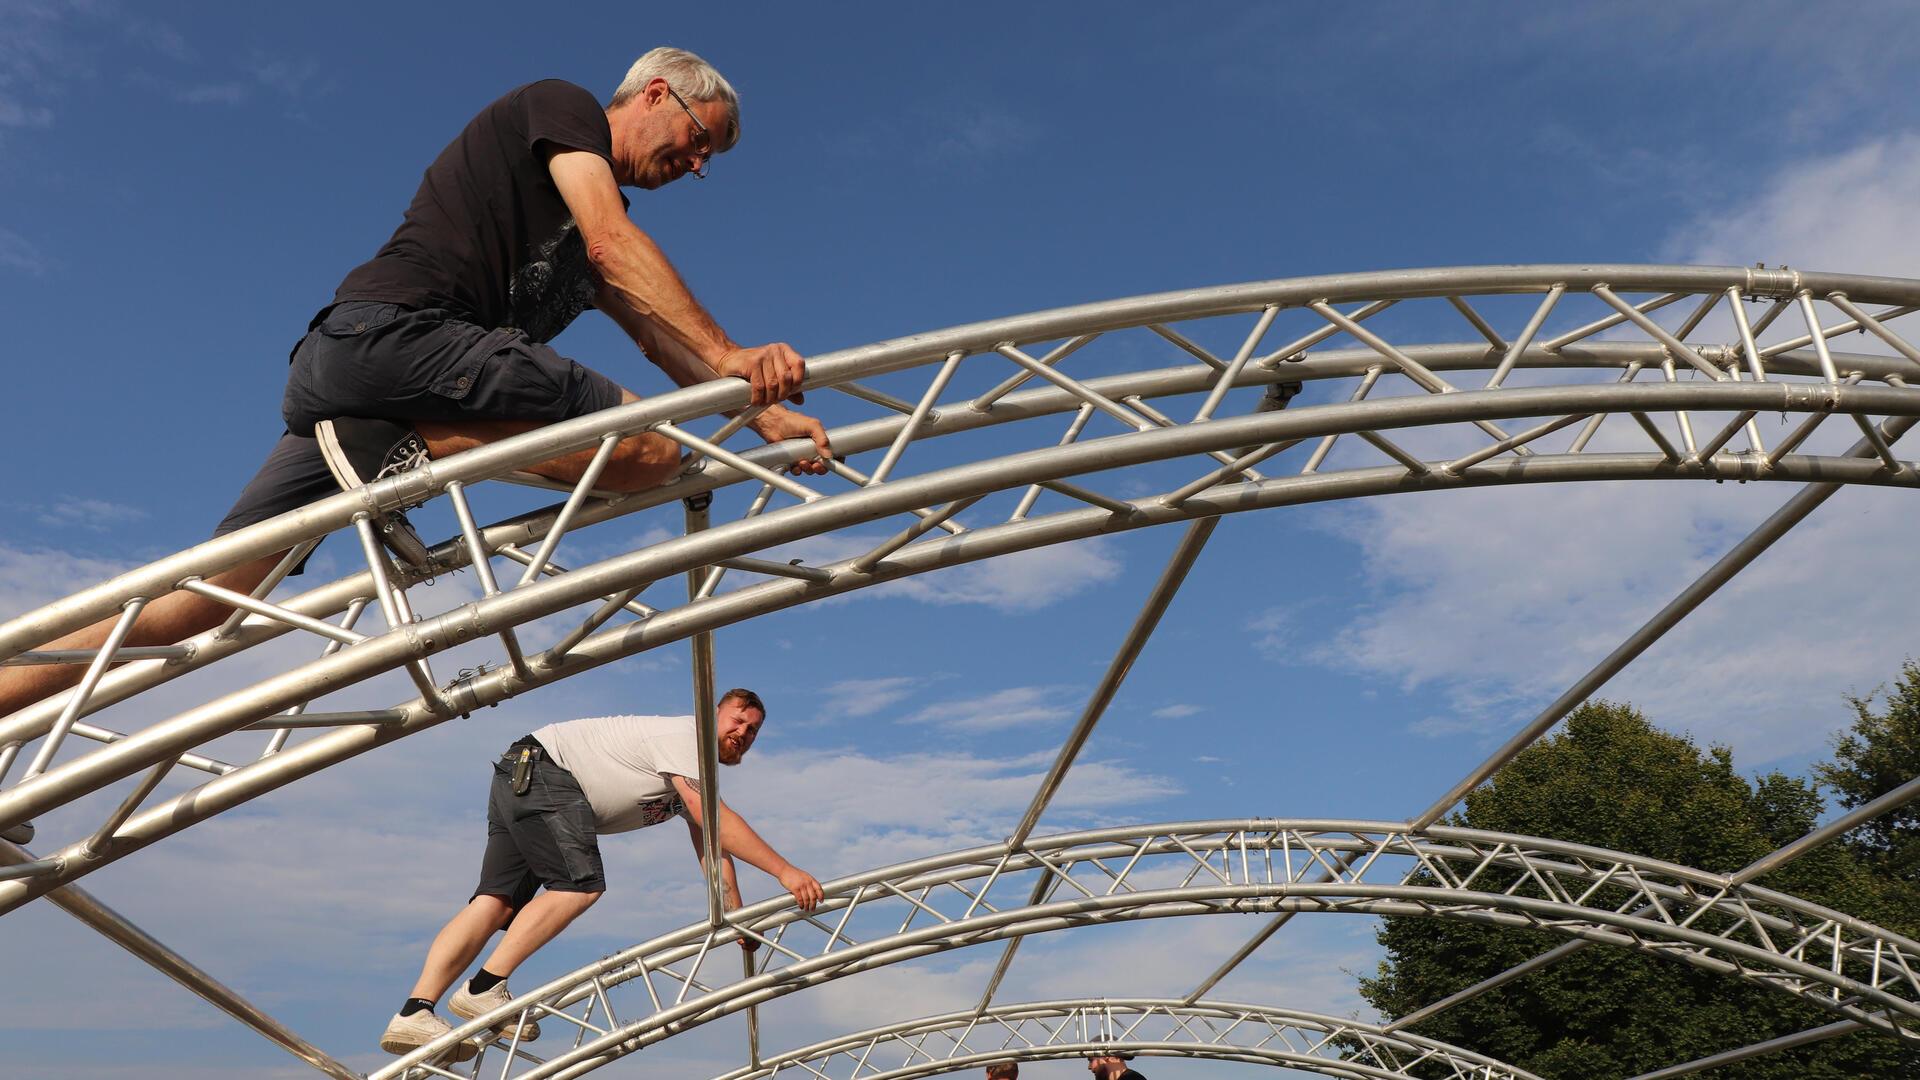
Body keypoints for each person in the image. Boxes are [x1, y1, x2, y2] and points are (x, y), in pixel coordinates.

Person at [0, 46, 831, 720]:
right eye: (698, 142)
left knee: (198, 603)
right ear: (655, 94)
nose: (694, 166)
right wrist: (732, 354)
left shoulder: (592, 240)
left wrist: (760, 419)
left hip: (350, 384)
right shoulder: (563, 107)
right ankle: (419, 447)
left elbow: (655, 336)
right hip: (396, 338)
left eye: (706, 160)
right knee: (649, 449)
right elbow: (615, 245)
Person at [379, 688, 825, 1059]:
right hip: (549, 773)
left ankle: (415, 1012)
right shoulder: (687, 736)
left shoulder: (694, 767)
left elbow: (712, 844)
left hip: (522, 773)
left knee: (497, 902)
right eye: (736, 720)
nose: (742, 733)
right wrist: (785, 872)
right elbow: (713, 817)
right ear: (712, 714)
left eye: (752, 730)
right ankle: (483, 989)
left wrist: (735, 913)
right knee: (578, 887)